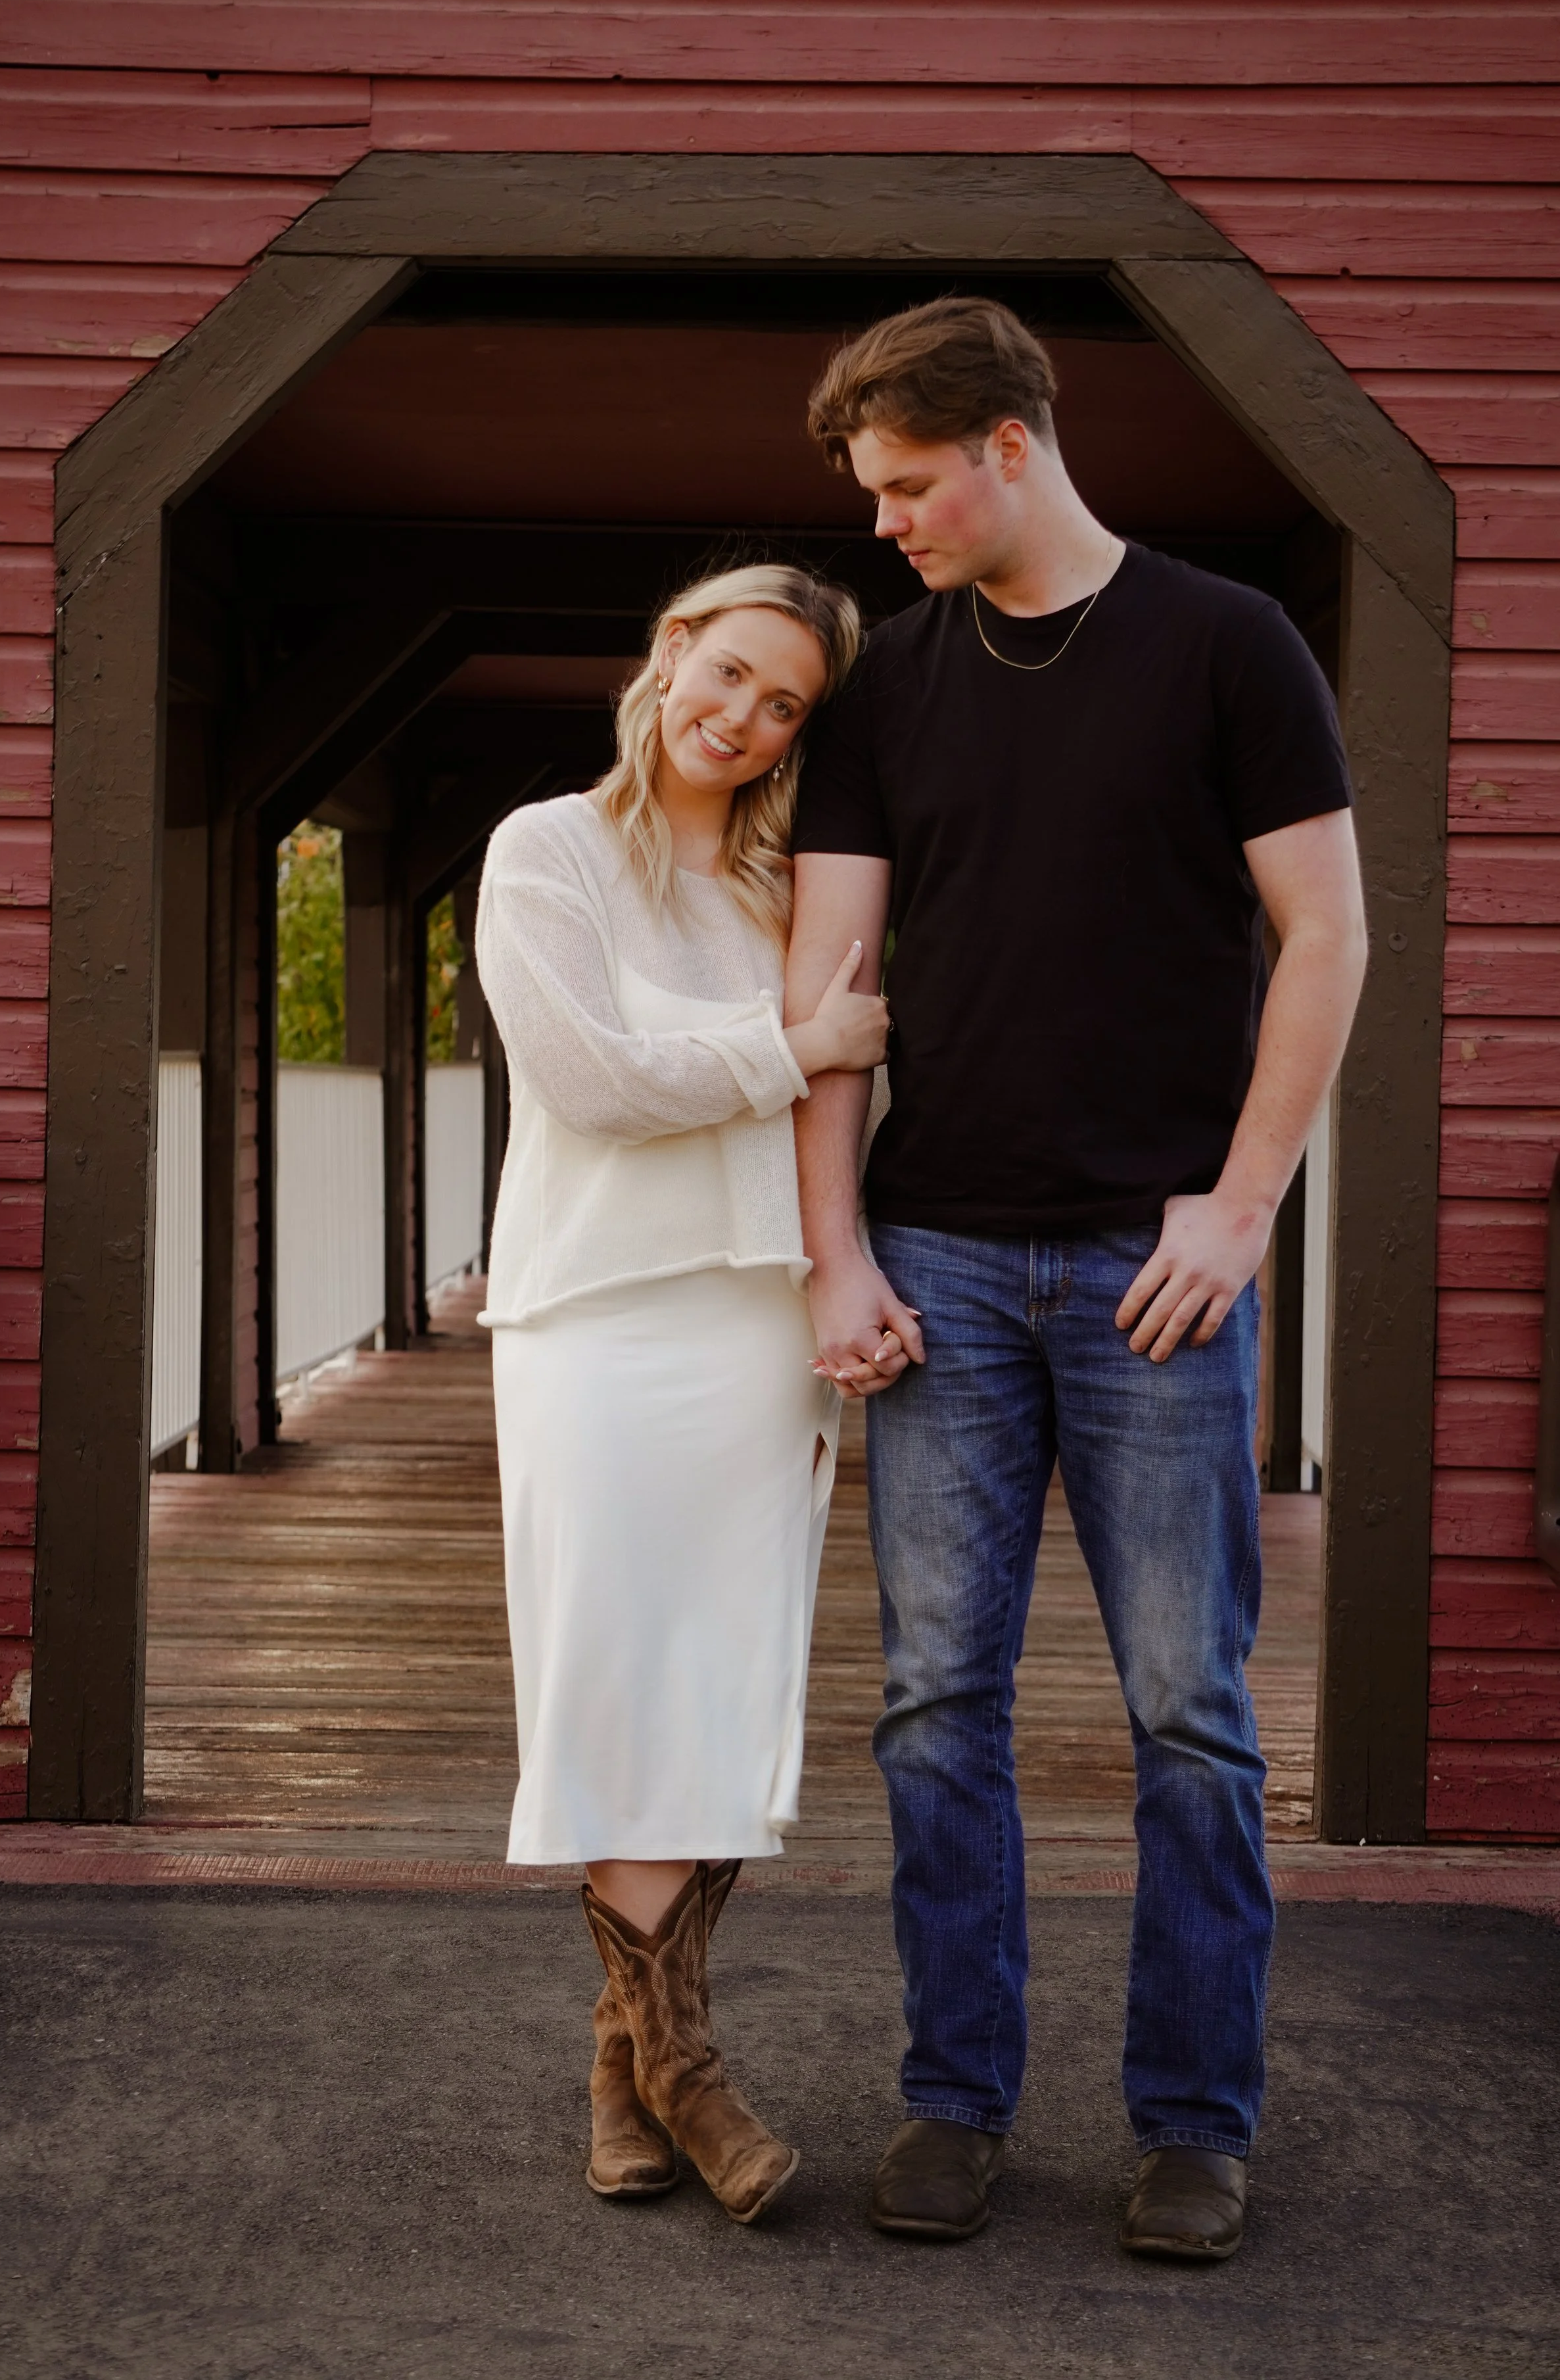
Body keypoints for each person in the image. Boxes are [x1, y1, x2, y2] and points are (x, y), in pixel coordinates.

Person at [785, 298, 1367, 2256]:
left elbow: (1322, 935)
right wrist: (834, 1248)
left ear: (1010, 443)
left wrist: (1241, 1199)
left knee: (1187, 1708)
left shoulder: (1227, 645)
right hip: (937, 1255)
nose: (885, 525)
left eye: (904, 484)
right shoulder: (883, 694)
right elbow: (830, 1002)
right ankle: (954, 2098)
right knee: (933, 1702)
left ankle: (1192, 2120)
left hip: (1155, 1266)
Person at [475, 561, 884, 2227]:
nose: (740, 718)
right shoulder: (543, 849)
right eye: (726, 674)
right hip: (592, 1313)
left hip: (753, 1322)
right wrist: (796, 1048)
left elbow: (860, 1094)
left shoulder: (792, 884)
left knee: (717, 1693)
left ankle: (624, 2070)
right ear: (667, 654)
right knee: (607, 1674)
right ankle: (694, 2080)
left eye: (781, 703)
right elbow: (588, 1081)